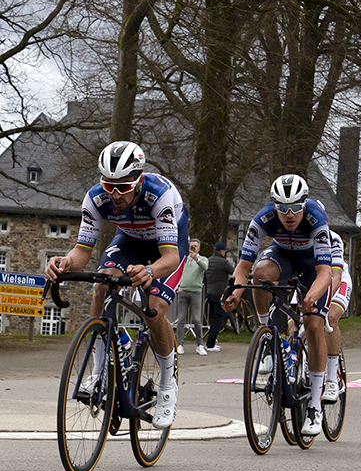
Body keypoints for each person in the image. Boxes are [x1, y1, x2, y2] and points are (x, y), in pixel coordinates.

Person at [44, 141, 188, 429]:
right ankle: (99, 371)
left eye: (122, 187)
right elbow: (82, 251)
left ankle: (167, 384)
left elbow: (170, 257)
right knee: (102, 283)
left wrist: (149, 270)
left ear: (139, 180)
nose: (114, 194)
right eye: (108, 185)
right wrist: (65, 262)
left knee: (156, 310)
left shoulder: (159, 195)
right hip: (130, 241)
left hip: (166, 248)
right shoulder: (96, 198)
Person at [223, 174, 332, 436]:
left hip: (312, 265)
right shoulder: (262, 219)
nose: (289, 214)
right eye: (283, 209)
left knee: (313, 324)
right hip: (282, 254)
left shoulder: (316, 218)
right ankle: (267, 337)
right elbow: (243, 267)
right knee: (260, 274)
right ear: (274, 206)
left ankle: (315, 405)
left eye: (295, 207)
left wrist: (310, 297)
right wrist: (236, 292)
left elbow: (325, 273)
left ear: (304, 204)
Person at [323, 230, 353, 403]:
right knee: (293, 322)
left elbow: (336, 276)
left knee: (331, 317)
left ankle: (333, 378)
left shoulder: (331, 238)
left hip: (337, 278)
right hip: (311, 279)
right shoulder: (293, 236)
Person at [175, 239, 208, 356]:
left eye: (195, 246)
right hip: (183, 291)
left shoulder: (203, 259)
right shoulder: (184, 259)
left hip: (196, 292)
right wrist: (178, 285)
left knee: (196, 319)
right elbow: (178, 271)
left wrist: (196, 259)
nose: (193, 248)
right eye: (191, 246)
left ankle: (199, 345)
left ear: (199, 248)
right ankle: (179, 344)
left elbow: (205, 267)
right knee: (181, 319)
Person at [205, 241, 235, 352]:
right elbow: (234, 272)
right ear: (221, 251)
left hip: (209, 293)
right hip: (220, 293)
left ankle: (211, 341)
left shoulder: (208, 261)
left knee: (213, 318)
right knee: (218, 319)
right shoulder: (223, 262)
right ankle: (210, 344)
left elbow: (205, 276)